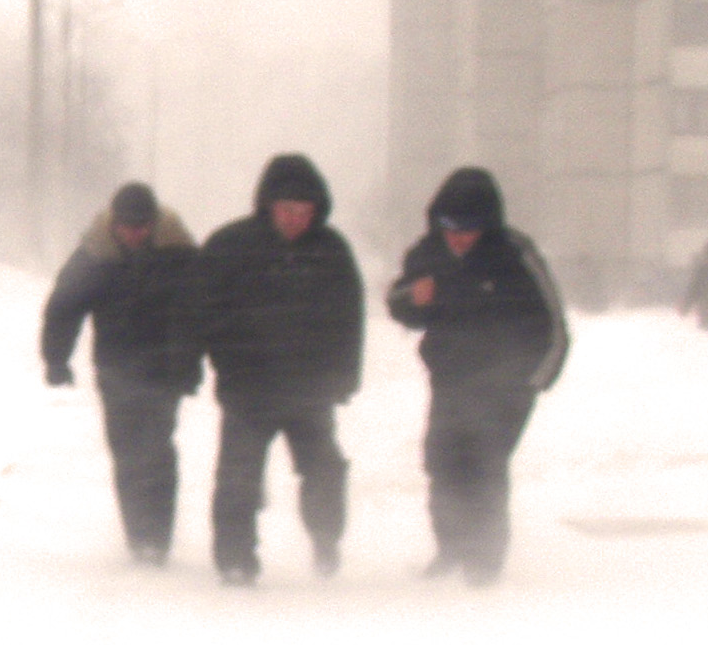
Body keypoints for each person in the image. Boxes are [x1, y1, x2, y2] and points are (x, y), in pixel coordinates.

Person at [188, 153, 365, 586]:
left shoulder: (331, 251)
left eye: (304, 211)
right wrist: (203, 358)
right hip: (247, 388)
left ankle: (325, 539)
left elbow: (348, 317)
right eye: (286, 209)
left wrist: (344, 375)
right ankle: (235, 561)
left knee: (324, 471)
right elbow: (197, 310)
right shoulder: (229, 246)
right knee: (238, 478)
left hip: (311, 391)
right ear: (267, 205)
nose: (295, 219)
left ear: (317, 210)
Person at [388, 166, 568, 588]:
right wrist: (412, 299)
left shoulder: (516, 254)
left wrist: (533, 382)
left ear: (488, 224)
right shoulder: (427, 253)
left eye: (469, 229)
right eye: (450, 227)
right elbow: (399, 303)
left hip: (507, 386)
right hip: (450, 381)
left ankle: (484, 561)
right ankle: (451, 548)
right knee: (442, 463)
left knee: (484, 467)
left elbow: (555, 326)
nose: (458, 238)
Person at [40, 181, 202, 566]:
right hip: (116, 370)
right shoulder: (96, 254)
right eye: (126, 227)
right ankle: (138, 536)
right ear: (114, 223)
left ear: (154, 223)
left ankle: (157, 540)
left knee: (158, 451)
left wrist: (192, 363)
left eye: (141, 227)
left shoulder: (178, 254)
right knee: (127, 453)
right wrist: (56, 359)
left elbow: (201, 310)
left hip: (165, 371)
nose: (133, 234)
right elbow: (64, 306)